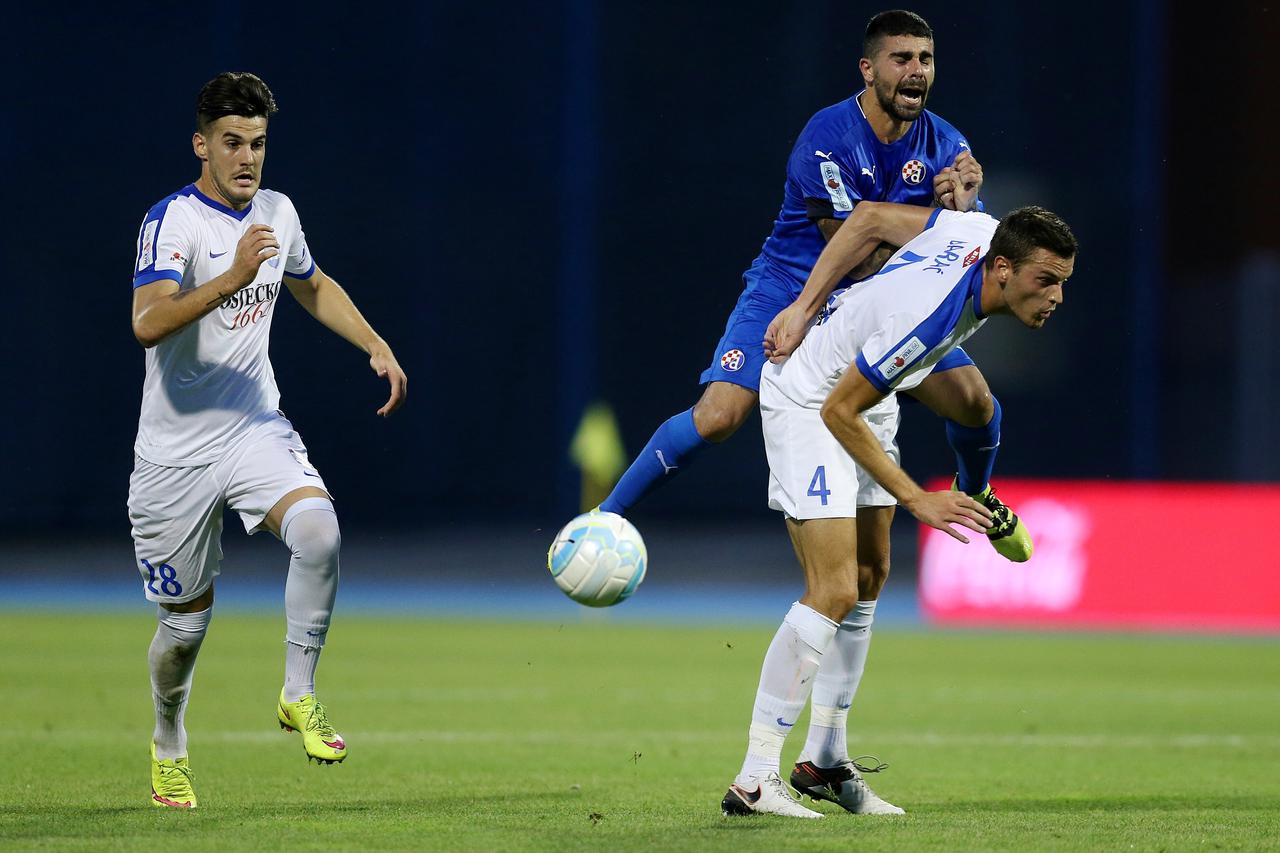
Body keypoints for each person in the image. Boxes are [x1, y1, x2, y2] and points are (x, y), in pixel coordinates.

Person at [598, 10, 1031, 562]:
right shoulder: (829, 137)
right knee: (719, 416)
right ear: (868, 69)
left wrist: (964, 210)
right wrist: (936, 222)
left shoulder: (947, 145)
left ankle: (974, 492)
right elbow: (852, 253)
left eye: (925, 58)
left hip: (879, 298)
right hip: (793, 285)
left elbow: (970, 253)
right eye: (901, 58)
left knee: (976, 403)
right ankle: (603, 518)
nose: (917, 70)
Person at [720, 202, 1078, 817]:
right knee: (831, 590)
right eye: (1045, 280)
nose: (1057, 296)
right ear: (1000, 269)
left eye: (1064, 283)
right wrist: (916, 497)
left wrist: (962, 179)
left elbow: (882, 219)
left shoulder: (978, 232)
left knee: (868, 578)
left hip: (866, 389)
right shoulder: (930, 321)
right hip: (812, 396)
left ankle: (824, 759)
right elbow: (837, 411)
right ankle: (754, 779)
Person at [129, 72, 408, 808]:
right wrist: (234, 275)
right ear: (201, 145)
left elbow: (310, 283)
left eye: (257, 143)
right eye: (232, 142)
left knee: (319, 531)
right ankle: (168, 738)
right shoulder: (173, 221)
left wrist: (374, 343)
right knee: (183, 630)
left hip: (253, 424)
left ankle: (297, 691)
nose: (247, 157)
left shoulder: (277, 213)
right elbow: (147, 323)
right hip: (174, 453)